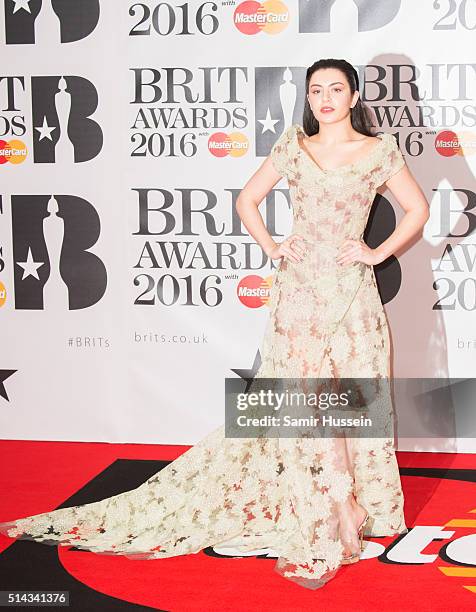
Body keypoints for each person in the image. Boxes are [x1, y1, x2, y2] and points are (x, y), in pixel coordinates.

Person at [0, 58, 430, 590]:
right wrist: (274, 246)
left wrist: (373, 252)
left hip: (352, 297)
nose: (325, 98)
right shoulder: (293, 147)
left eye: (335, 88)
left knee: (350, 399)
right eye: (316, 89)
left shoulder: (378, 151)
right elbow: (248, 199)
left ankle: (360, 505)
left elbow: (417, 210)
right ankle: (339, 511)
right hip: (296, 295)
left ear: (353, 94)